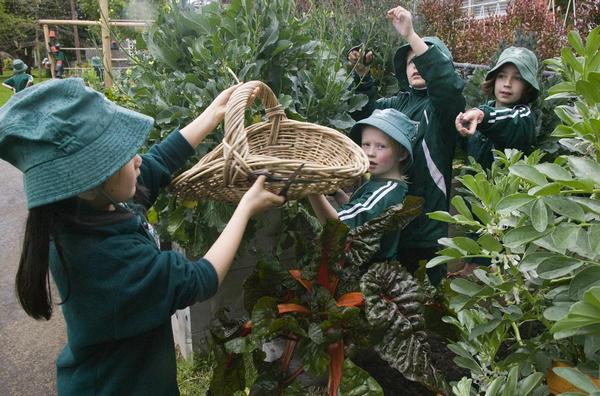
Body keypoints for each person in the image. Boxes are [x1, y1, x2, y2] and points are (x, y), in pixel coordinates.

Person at [0, 78, 284, 395]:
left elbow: (156, 163)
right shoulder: (104, 260)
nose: (137, 158)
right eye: (124, 155)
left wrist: (212, 114)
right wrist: (244, 209)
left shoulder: (85, 210)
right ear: (87, 182)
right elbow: (198, 279)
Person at [348, 5, 466, 285]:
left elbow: (448, 87)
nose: (415, 66)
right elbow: (365, 115)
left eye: (422, 59)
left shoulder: (442, 109)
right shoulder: (396, 103)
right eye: (410, 60)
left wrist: (411, 34)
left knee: (425, 303)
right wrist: (362, 77)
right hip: (389, 222)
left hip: (424, 229)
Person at [309, 108, 417, 264]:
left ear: (402, 154)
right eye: (366, 144)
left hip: (366, 275)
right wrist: (338, 194)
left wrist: (312, 191)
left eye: (381, 146)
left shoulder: (385, 193)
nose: (370, 153)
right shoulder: (381, 183)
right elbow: (362, 213)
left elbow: (338, 226)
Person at [455, 46, 539, 169]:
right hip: (474, 187)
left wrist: (481, 115)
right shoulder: (484, 112)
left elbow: (507, 120)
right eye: (501, 76)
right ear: (494, 80)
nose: (507, 84)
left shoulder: (524, 118)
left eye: (517, 78)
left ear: (527, 86)